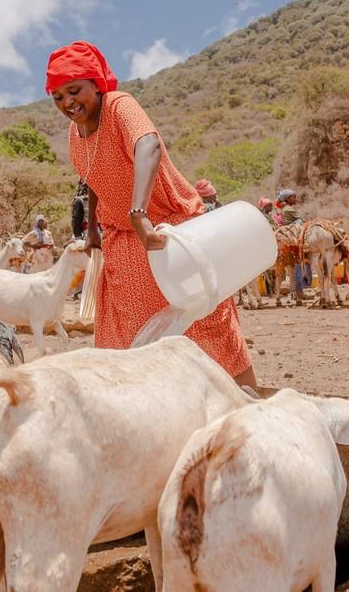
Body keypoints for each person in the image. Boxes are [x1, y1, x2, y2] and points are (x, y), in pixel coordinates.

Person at [46, 40, 254, 387]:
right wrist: (94, 228)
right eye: (58, 97)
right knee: (132, 332)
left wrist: (139, 214)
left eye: (74, 90)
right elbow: (93, 176)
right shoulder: (75, 133)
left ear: (96, 84)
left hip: (167, 233)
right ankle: (155, 409)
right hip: (123, 244)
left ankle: (248, 403)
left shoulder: (119, 107)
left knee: (204, 322)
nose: (68, 102)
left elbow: (148, 144)